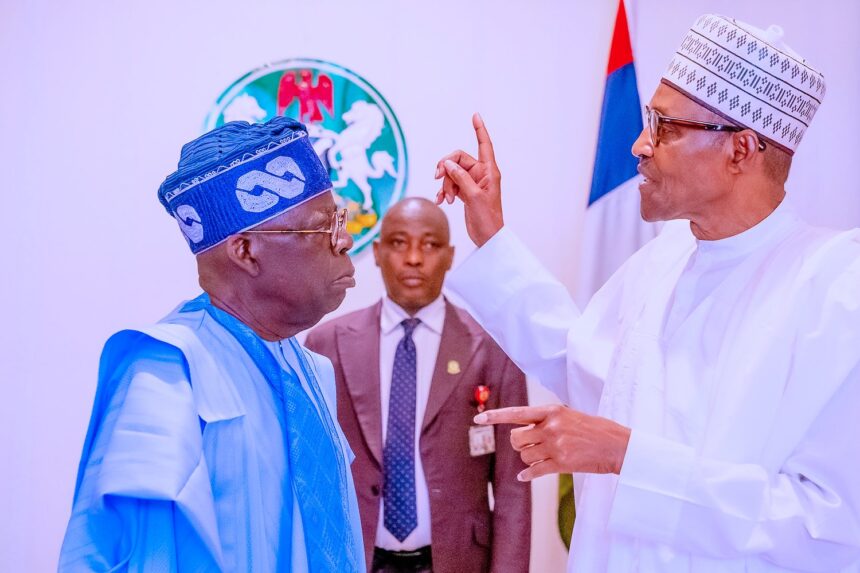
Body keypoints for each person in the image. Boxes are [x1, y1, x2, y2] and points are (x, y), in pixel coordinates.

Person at [435, 14, 860, 572]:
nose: (639, 145)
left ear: (741, 149)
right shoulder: (664, 259)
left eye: (665, 127)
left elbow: (830, 526)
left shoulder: (835, 288)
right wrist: (491, 236)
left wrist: (625, 458)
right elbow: (583, 363)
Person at [59, 117, 365, 572]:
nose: (345, 240)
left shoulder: (310, 370)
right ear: (245, 251)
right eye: (322, 228)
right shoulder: (168, 373)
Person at [305, 198, 531, 573]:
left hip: (456, 560)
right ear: (376, 253)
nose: (413, 258)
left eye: (429, 244)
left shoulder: (493, 351)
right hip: (356, 558)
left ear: (450, 255)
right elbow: (311, 473)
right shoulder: (326, 346)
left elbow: (513, 489)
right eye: (397, 243)